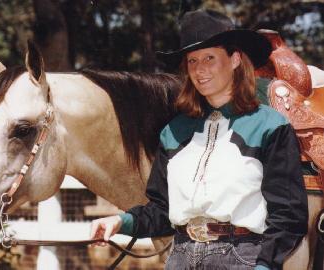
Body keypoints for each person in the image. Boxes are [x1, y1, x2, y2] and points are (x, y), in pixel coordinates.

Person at [90, 9, 308, 270]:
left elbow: (288, 216)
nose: (199, 70)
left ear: (235, 59)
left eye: (209, 58)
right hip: (180, 256)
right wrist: (119, 222)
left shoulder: (270, 126)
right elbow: (161, 210)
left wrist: (264, 266)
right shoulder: (173, 131)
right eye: (192, 61)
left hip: (242, 259)